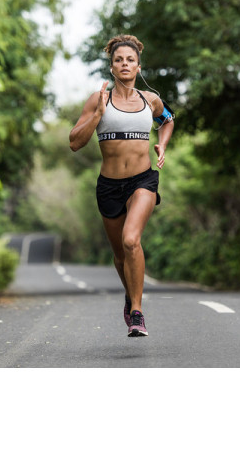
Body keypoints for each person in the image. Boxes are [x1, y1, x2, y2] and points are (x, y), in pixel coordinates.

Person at [69, 34, 174, 336]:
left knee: (131, 240)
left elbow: (167, 119)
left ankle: (137, 312)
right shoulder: (98, 99)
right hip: (109, 185)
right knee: (119, 255)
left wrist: (163, 144)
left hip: (143, 180)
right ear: (112, 67)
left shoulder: (149, 100)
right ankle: (130, 294)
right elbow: (75, 142)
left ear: (138, 66)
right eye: (119, 60)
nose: (124, 64)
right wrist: (98, 115)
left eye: (130, 60)